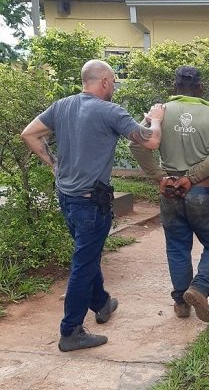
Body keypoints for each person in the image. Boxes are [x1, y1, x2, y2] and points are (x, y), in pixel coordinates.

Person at [21, 60, 164, 352]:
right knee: (83, 264)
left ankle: (101, 303)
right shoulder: (110, 111)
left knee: (87, 254)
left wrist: (54, 165)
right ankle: (71, 331)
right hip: (90, 203)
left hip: (67, 197)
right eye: (114, 82)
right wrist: (156, 119)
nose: (115, 88)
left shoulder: (61, 106)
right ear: (105, 82)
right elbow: (151, 142)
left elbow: (29, 134)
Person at [130, 66, 209, 322]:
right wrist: (192, 178)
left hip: (171, 192)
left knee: (177, 248)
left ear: (175, 87)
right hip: (203, 192)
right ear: (200, 88)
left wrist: (159, 177)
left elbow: (136, 145)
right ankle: (199, 288)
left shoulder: (160, 113)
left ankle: (181, 303)